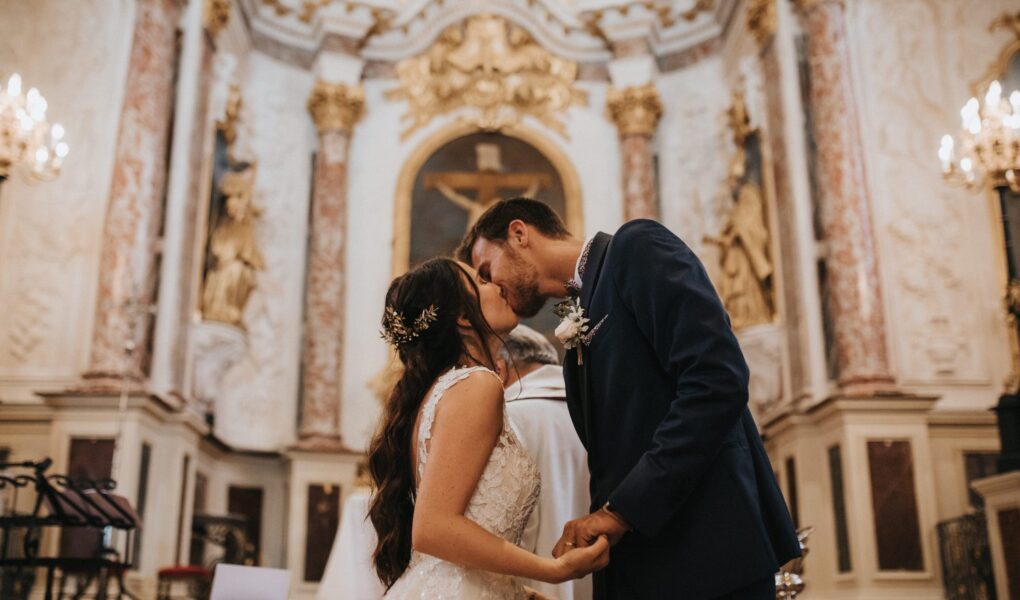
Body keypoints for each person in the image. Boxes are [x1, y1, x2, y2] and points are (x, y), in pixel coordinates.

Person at [458, 199, 800, 599]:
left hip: (708, 552)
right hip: (646, 566)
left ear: (519, 234)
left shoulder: (636, 249)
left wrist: (621, 511)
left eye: (487, 270)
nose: (492, 286)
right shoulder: (579, 315)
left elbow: (715, 380)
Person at [366, 257, 609, 599]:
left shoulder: (442, 391)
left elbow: (461, 546)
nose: (495, 285)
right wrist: (553, 571)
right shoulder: (477, 384)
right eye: (480, 283)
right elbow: (433, 528)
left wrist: (517, 592)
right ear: (464, 317)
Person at [496, 325, 592, 600]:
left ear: (500, 369)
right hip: (594, 574)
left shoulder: (508, 416)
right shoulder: (588, 410)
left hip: (535, 580)